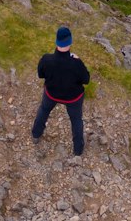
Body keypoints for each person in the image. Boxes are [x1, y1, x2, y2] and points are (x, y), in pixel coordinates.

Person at [32, 25, 90, 157]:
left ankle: (36, 134)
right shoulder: (76, 63)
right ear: (70, 42)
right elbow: (86, 79)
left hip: (51, 94)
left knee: (44, 110)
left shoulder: (46, 59)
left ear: (56, 41)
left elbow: (41, 74)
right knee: (76, 120)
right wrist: (78, 60)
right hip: (73, 98)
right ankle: (78, 150)